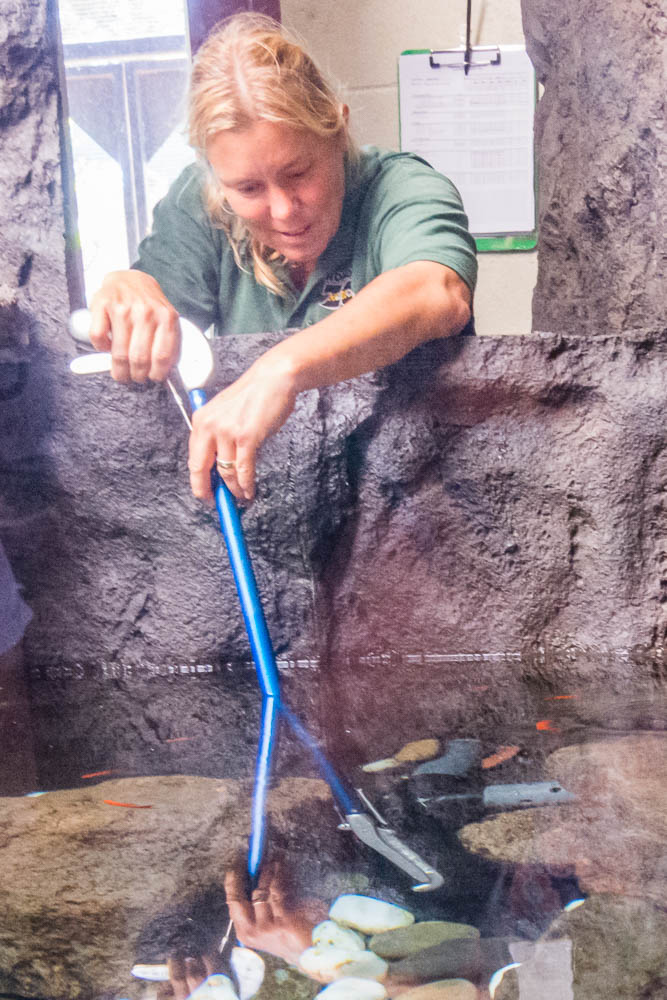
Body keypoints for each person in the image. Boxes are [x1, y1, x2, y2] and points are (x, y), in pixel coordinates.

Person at [89, 13, 477, 505]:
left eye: (297, 173)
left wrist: (282, 370)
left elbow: (436, 290)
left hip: (416, 494)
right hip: (267, 500)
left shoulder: (400, 187)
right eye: (247, 188)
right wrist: (131, 289)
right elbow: (152, 316)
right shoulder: (200, 205)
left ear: (338, 129)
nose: (283, 209)